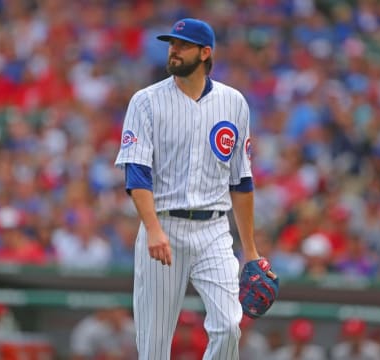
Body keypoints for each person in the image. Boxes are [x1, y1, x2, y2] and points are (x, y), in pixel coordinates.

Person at [114, 17, 276, 360]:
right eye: (172, 44)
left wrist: (251, 251)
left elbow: (242, 181)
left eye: (182, 45)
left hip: (214, 230)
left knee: (229, 326)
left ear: (205, 53)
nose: (174, 51)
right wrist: (153, 229)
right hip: (164, 225)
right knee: (154, 345)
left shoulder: (234, 103)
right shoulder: (146, 101)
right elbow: (137, 174)